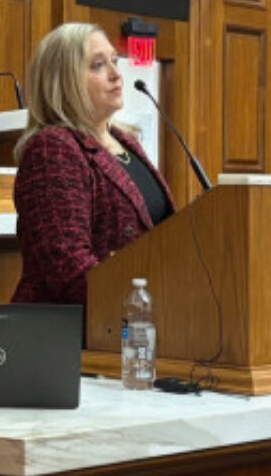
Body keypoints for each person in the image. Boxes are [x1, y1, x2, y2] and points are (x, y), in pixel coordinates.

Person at [10, 23, 174, 307]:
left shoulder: (125, 141)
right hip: (74, 334)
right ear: (63, 80)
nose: (116, 75)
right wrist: (139, 302)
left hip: (133, 324)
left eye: (114, 61)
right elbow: (66, 265)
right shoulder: (53, 148)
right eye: (98, 65)